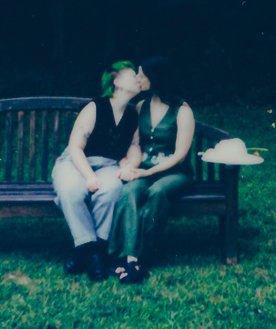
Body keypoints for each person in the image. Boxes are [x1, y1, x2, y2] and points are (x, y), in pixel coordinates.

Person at [51, 61, 141, 281]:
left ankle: (90, 253)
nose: (138, 79)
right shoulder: (95, 107)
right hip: (75, 161)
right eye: (132, 75)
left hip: (109, 166)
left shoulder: (132, 114)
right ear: (116, 80)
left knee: (110, 190)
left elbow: (135, 147)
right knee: (72, 191)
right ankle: (91, 253)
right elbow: (75, 147)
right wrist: (89, 176)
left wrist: (129, 165)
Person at [109, 56, 195, 283]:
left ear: (155, 79)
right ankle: (129, 259)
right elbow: (135, 144)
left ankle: (138, 258)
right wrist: (130, 165)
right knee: (129, 191)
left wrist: (146, 173)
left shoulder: (182, 110)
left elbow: (180, 156)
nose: (137, 79)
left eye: (141, 74)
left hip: (176, 174)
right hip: (145, 169)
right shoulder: (140, 106)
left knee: (157, 192)